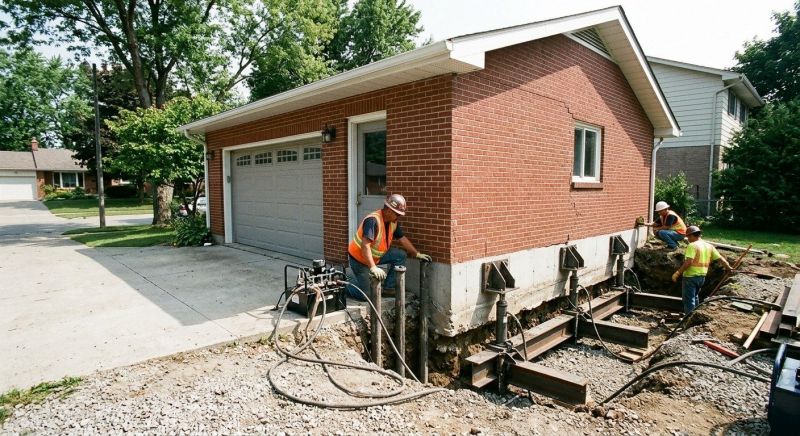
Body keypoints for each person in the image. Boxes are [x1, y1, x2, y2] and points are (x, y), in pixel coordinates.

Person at [346, 193, 431, 301]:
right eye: (397, 214)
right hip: (359, 260)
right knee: (367, 296)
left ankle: (388, 288)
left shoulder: (393, 222)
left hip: (376, 256)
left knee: (400, 255)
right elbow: (365, 246)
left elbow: (402, 238)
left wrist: (416, 253)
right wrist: (372, 267)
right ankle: (343, 284)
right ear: (389, 210)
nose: (399, 217)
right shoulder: (373, 220)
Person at [671, 225, 732, 313]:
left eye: (688, 237)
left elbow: (689, 262)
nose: (687, 239)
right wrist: (728, 268)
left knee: (688, 300)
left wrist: (677, 273)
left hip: (690, 277)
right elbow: (721, 259)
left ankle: (688, 320)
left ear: (692, 235)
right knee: (695, 297)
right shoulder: (709, 246)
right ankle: (694, 316)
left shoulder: (692, 246)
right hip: (701, 277)